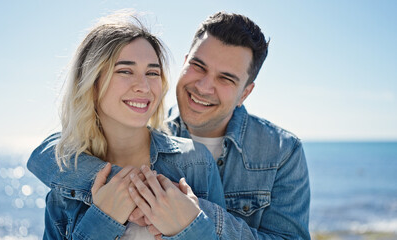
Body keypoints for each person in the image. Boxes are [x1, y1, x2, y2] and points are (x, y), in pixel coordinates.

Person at [29, 11, 311, 239]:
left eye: (226, 78)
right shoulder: (72, 177)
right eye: (198, 67)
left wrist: (193, 216)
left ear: (245, 92)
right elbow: (49, 153)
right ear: (185, 63)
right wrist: (120, 192)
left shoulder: (278, 151)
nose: (203, 87)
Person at [27, 11, 226, 240]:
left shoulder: (196, 163)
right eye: (125, 71)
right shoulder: (65, 184)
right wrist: (103, 219)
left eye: (152, 72)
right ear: (92, 83)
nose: (143, 86)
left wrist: (191, 228)